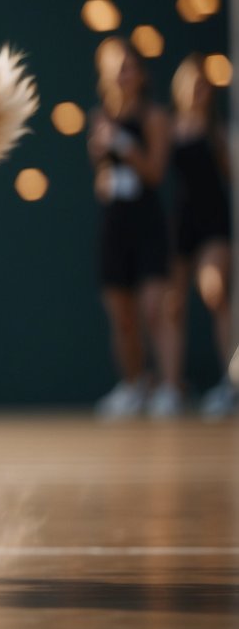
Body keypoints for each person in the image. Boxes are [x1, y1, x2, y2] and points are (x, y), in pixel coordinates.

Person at [88, 37, 179, 419]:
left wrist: (125, 146)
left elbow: (155, 172)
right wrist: (106, 178)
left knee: (154, 309)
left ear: (141, 74)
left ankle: (170, 388)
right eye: (118, 67)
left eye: (130, 66)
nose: (125, 73)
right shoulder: (100, 119)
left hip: (148, 220)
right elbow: (100, 174)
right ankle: (134, 384)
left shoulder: (155, 117)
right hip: (116, 222)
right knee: (121, 315)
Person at [166, 54, 232, 418]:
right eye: (191, 82)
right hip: (182, 225)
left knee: (215, 292)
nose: (197, 90)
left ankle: (230, 382)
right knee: (173, 306)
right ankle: (172, 388)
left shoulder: (217, 133)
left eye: (203, 84)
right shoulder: (170, 129)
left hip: (214, 223)